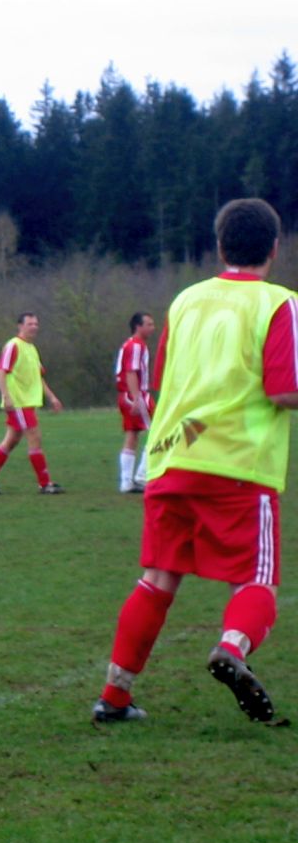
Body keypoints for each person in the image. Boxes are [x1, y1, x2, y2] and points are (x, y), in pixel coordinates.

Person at [91, 198, 298, 725]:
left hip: (173, 458)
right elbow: (284, 390)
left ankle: (114, 696)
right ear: (274, 249)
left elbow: (164, 379)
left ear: (220, 247)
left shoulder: (185, 301)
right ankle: (231, 647)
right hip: (239, 466)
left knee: (157, 579)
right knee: (256, 579)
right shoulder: (280, 303)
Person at [0, 312, 66, 495]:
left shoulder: (31, 348)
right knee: (34, 437)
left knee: (11, 441)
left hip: (27, 403)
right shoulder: (13, 345)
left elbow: (38, 377)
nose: (34, 327)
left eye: (36, 324)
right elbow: (1, 371)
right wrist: (6, 396)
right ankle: (45, 484)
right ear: (20, 326)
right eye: (30, 324)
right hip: (18, 403)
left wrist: (52, 397)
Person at [115, 311, 156, 493]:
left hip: (126, 395)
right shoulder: (136, 346)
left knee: (132, 434)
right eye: (149, 324)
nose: (153, 328)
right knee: (158, 431)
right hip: (136, 394)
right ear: (138, 326)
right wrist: (137, 398)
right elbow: (131, 372)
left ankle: (126, 482)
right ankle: (142, 475)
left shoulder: (130, 344)